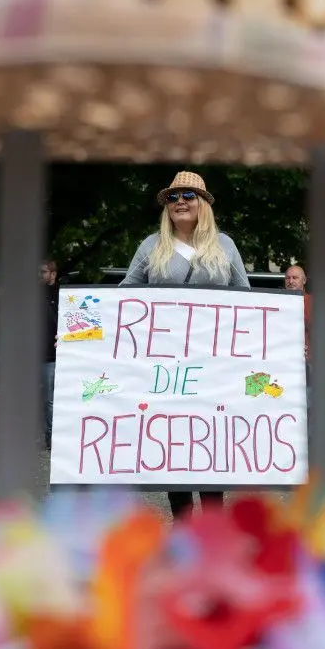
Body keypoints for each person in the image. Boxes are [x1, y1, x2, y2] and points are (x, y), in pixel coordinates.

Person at [119, 171, 250, 519]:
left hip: (214, 362)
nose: (180, 202)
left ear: (203, 204)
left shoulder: (225, 246)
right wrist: (81, 334)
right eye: (173, 197)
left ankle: (212, 526)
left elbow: (249, 301)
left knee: (210, 437)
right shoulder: (151, 246)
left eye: (188, 196)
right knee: (175, 437)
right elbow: (121, 296)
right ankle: (183, 523)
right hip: (167, 364)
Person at [42, 259, 59, 448]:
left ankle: (50, 436)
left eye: (43, 272)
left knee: (49, 400)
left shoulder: (61, 295)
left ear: (53, 274)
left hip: (50, 356)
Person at [285, 264, 310, 361]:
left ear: (304, 280)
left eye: (295, 278)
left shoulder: (314, 303)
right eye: (287, 278)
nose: (290, 281)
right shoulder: (276, 302)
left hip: (306, 362)